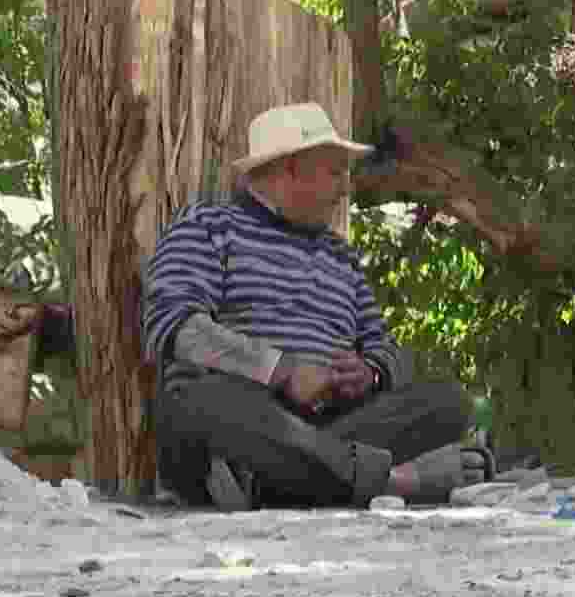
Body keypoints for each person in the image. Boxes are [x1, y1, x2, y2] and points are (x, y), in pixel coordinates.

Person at [141, 102, 489, 511]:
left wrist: (371, 374)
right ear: (291, 168)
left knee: (448, 401)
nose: (345, 188)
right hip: (239, 421)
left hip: (326, 428)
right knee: (198, 398)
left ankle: (283, 483)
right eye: (335, 172)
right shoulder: (206, 225)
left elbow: (385, 345)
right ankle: (395, 479)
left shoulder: (341, 256)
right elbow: (176, 328)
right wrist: (282, 371)